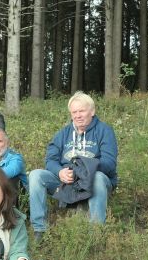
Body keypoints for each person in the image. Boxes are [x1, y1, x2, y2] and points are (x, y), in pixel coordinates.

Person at [28, 92, 118, 236]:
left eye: (82, 111)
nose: (78, 115)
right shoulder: (63, 134)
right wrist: (59, 172)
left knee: (99, 177)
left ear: (92, 111)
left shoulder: (104, 131)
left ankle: (95, 233)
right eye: (74, 112)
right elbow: (50, 160)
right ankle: (40, 229)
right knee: (36, 175)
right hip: (65, 179)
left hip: (93, 180)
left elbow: (109, 164)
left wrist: (80, 171)